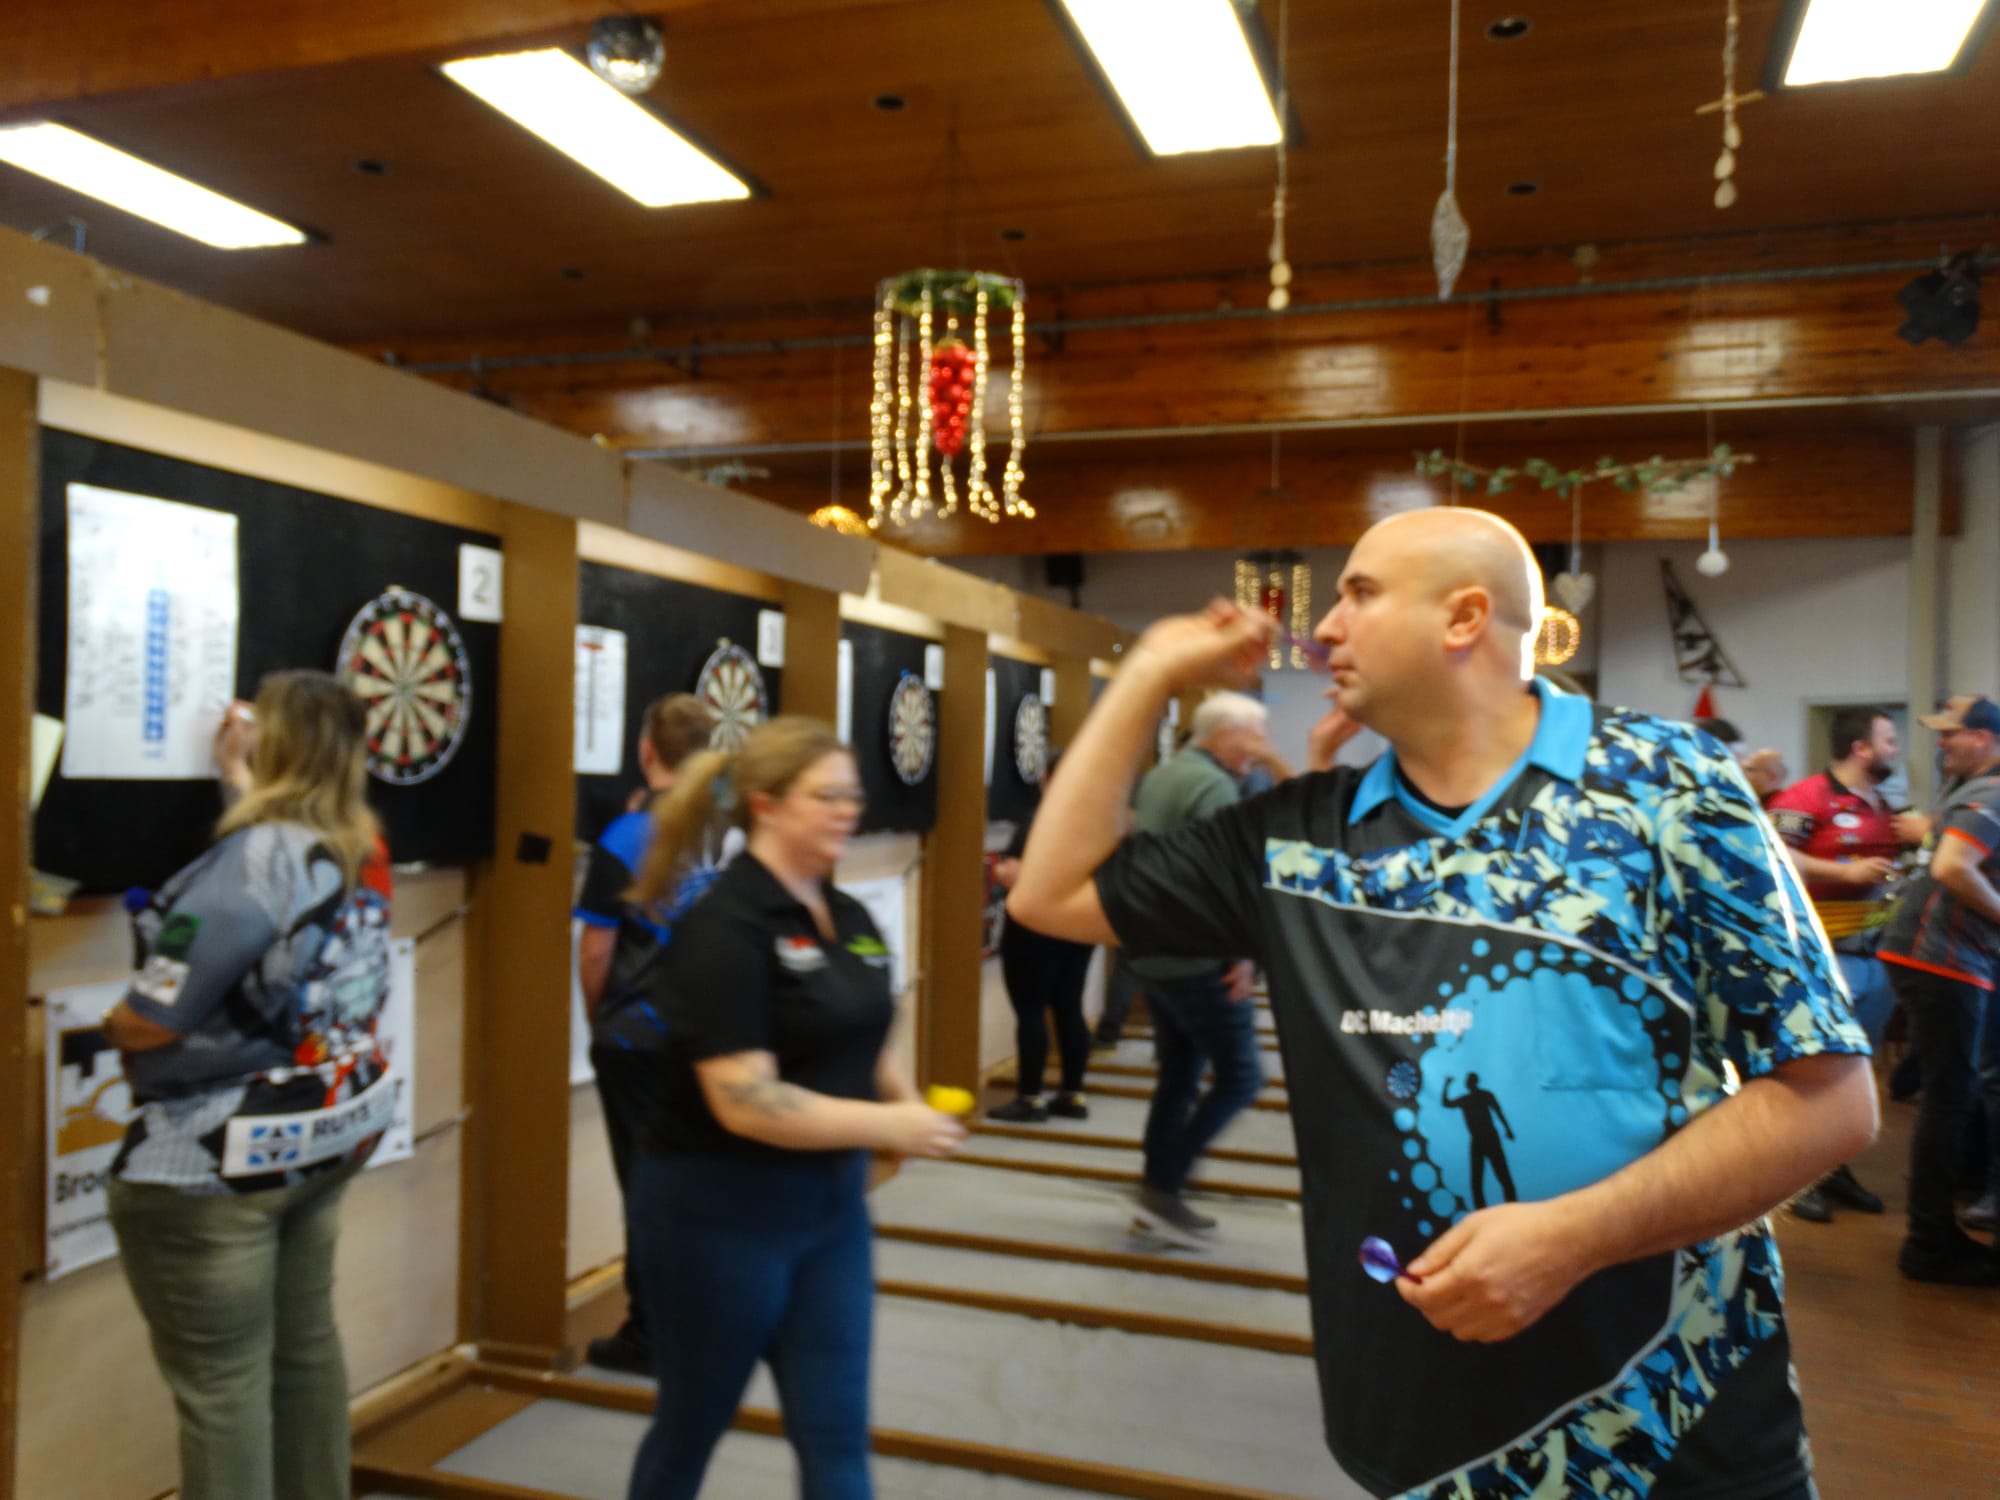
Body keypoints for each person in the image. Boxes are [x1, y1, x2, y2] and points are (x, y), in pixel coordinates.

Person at [1011, 507, 1876, 1499]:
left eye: (1359, 593)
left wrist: (1573, 1238)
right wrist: (1146, 675)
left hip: (1673, 1432)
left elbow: (1826, 1100)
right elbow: (1050, 894)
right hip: (1425, 1441)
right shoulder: (1297, 841)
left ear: (1463, 617)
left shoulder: (1668, 786)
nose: (1323, 626)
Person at [622, 716, 966, 1500]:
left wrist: (906, 1106)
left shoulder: (850, 918)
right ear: (765, 804)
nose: (847, 810)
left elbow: (862, 1030)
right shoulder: (723, 927)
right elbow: (748, 1102)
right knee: (690, 1428)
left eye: (853, 795)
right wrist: (888, 1125)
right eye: (826, 796)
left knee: (838, 1443)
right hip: (717, 1215)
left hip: (829, 1215)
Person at [100, 671, 394, 1500]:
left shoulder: (256, 859)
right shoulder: (362, 845)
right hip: (319, 1138)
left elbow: (154, 1017)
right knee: (305, 1350)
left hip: (212, 1166)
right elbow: (282, 890)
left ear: (274, 743)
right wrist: (242, 779)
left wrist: (116, 1027)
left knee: (222, 1390)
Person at [574, 693, 730, 1374]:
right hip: (705, 1032)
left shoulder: (626, 836)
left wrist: (598, 1019)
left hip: (637, 1039)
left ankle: (650, 1334)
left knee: (647, 1186)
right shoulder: (723, 827)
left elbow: (595, 951)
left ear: (646, 752)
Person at [1766, 705, 1929, 1222]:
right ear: (1861, 748)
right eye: (1888, 740)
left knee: (1854, 1072)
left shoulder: (1885, 803)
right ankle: (1794, 1179)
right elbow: (1773, 855)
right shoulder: (1805, 797)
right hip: (1824, 954)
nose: (1895, 749)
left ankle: (1833, 1169)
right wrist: (1844, 871)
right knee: (1815, 1068)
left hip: (1876, 954)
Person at [1124, 691, 1273, 1247]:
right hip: (1199, 958)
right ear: (1226, 734)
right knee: (1241, 1077)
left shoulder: (1162, 775)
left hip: (1155, 952)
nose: (1258, 748)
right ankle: (1162, 1188)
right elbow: (1223, 879)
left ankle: (1156, 1190)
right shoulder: (1213, 786)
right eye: (1254, 736)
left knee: (1179, 1075)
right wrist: (1244, 953)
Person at [1878, 694, 2000, 1282]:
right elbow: (1953, 867)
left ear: (1985, 738)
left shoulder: (1975, 792)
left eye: (1951, 733)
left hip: (1936, 956)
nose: (1941, 742)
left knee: (1950, 1094)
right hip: (1943, 959)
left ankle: (1934, 1233)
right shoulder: (1990, 793)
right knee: (1949, 1099)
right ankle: (1929, 1245)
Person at [988, 757, 1095, 1122]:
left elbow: (1018, 873)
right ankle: (1072, 1094)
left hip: (1034, 928)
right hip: (1078, 925)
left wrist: (1003, 870)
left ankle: (1030, 1099)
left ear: (1045, 777)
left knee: (1031, 1011)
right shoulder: (1092, 819)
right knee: (1070, 1007)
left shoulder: (1043, 817)